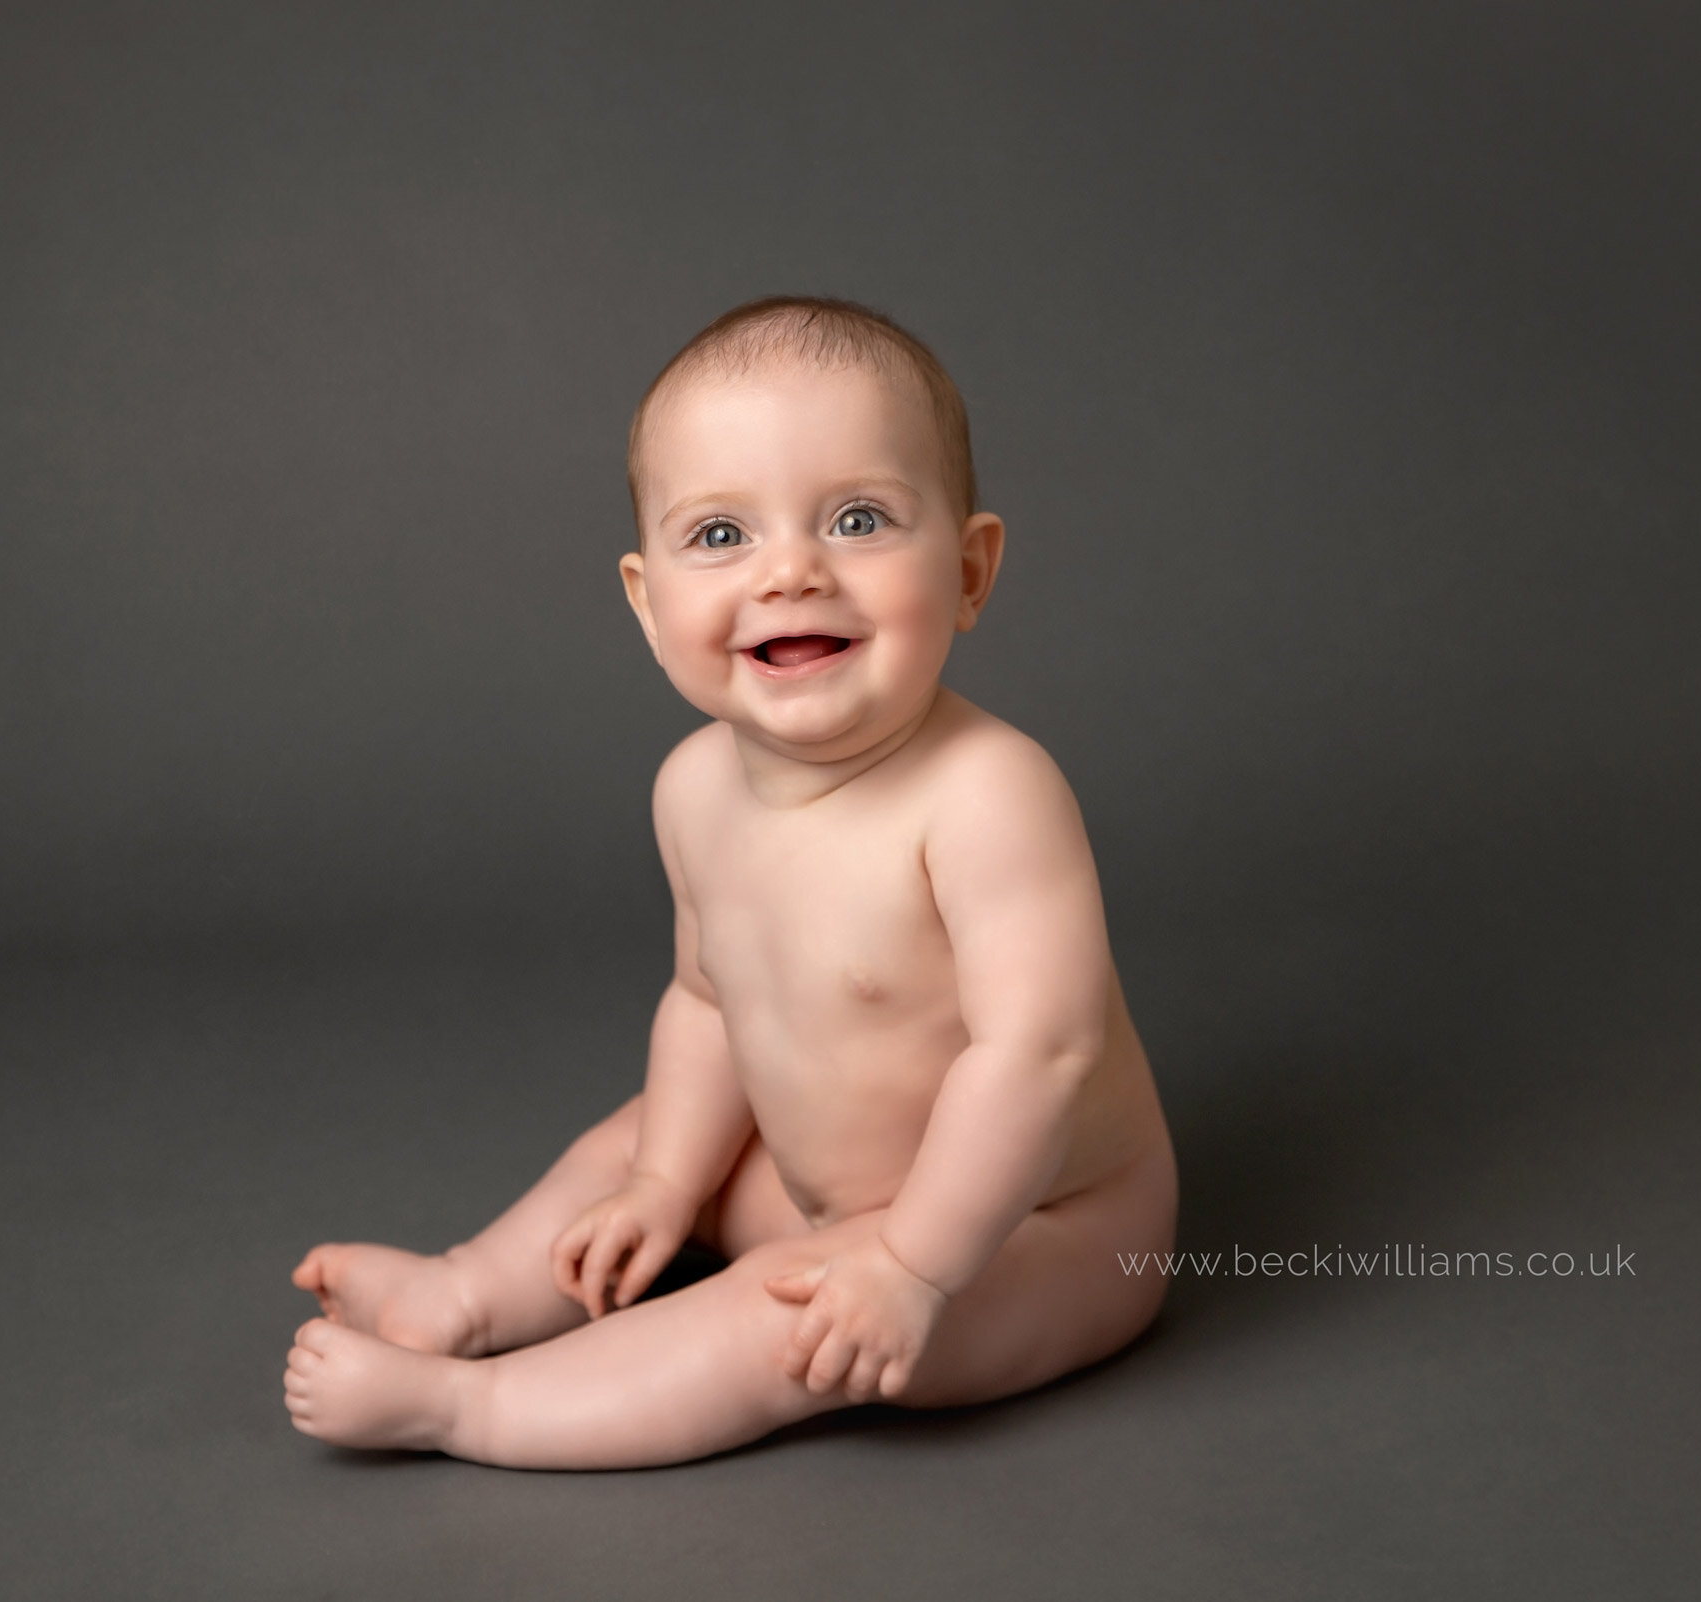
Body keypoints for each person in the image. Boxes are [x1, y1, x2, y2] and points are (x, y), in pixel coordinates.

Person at [283, 297, 1177, 1469]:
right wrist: (665, 1182)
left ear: (968, 571)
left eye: (858, 519)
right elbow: (710, 1006)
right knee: (642, 1142)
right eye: (720, 537)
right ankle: (458, 1301)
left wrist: (909, 1262)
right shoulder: (694, 789)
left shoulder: (990, 796)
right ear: (650, 607)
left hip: (1027, 1236)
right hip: (820, 1186)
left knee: (779, 1316)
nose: (792, 571)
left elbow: (1037, 1056)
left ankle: (472, 1412)